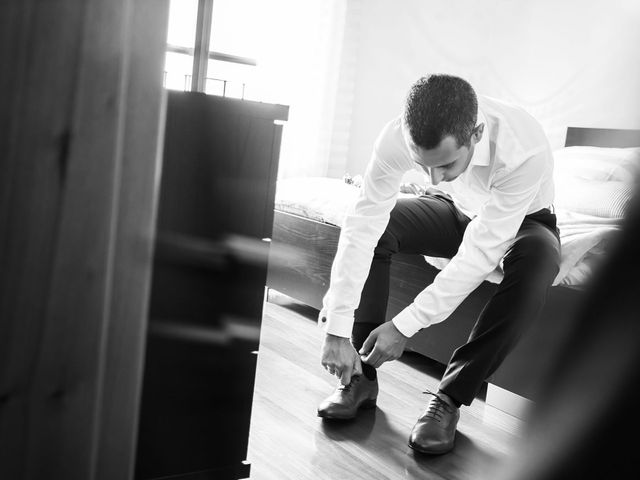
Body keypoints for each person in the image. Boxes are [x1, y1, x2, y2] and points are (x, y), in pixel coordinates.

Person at [316, 74, 561, 455]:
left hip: (523, 222)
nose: (434, 176)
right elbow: (362, 224)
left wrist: (405, 325)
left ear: (476, 134)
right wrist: (336, 327)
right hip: (455, 210)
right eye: (422, 165)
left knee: (539, 262)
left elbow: (481, 252)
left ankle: (448, 398)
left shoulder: (522, 146)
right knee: (381, 227)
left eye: (446, 164)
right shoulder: (397, 136)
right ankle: (361, 377)